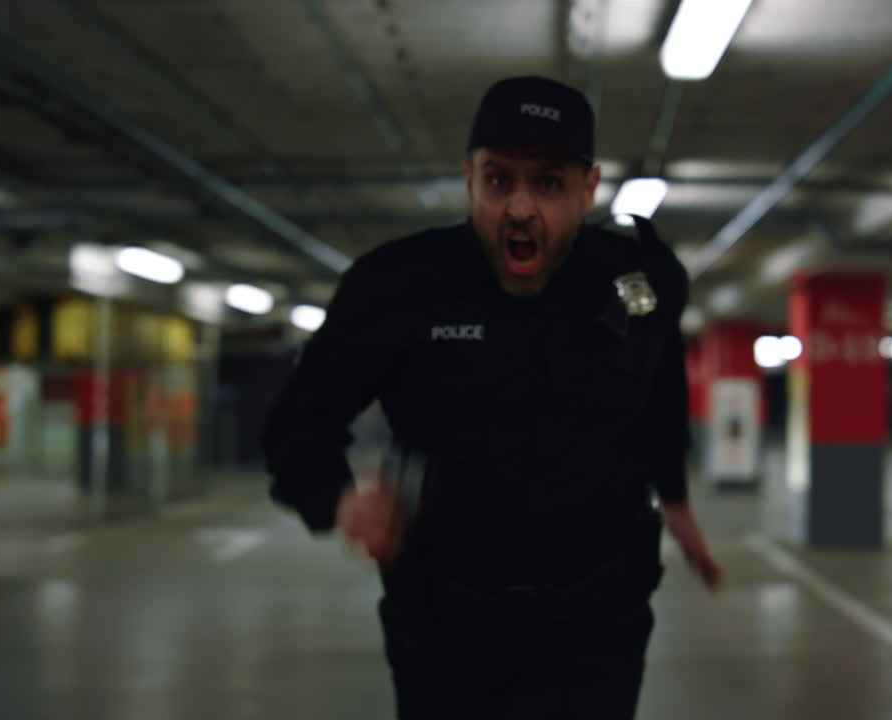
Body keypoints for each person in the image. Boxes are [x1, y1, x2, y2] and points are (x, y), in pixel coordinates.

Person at [263, 75, 722, 719]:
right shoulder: (397, 286)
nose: (521, 209)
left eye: (549, 184)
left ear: (589, 190)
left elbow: (660, 376)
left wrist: (672, 493)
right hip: (444, 623)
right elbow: (297, 423)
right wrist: (340, 500)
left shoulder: (638, 279)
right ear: (469, 178)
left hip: (597, 619)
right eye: (499, 180)